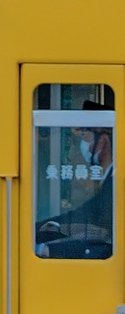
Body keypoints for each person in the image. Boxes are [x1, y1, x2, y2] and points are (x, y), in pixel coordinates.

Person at [36, 100, 114, 257]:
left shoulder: (115, 182)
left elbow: (97, 228)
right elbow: (84, 216)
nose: (82, 143)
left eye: (85, 135)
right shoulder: (108, 180)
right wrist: (38, 229)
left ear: (103, 139)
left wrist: (48, 249)